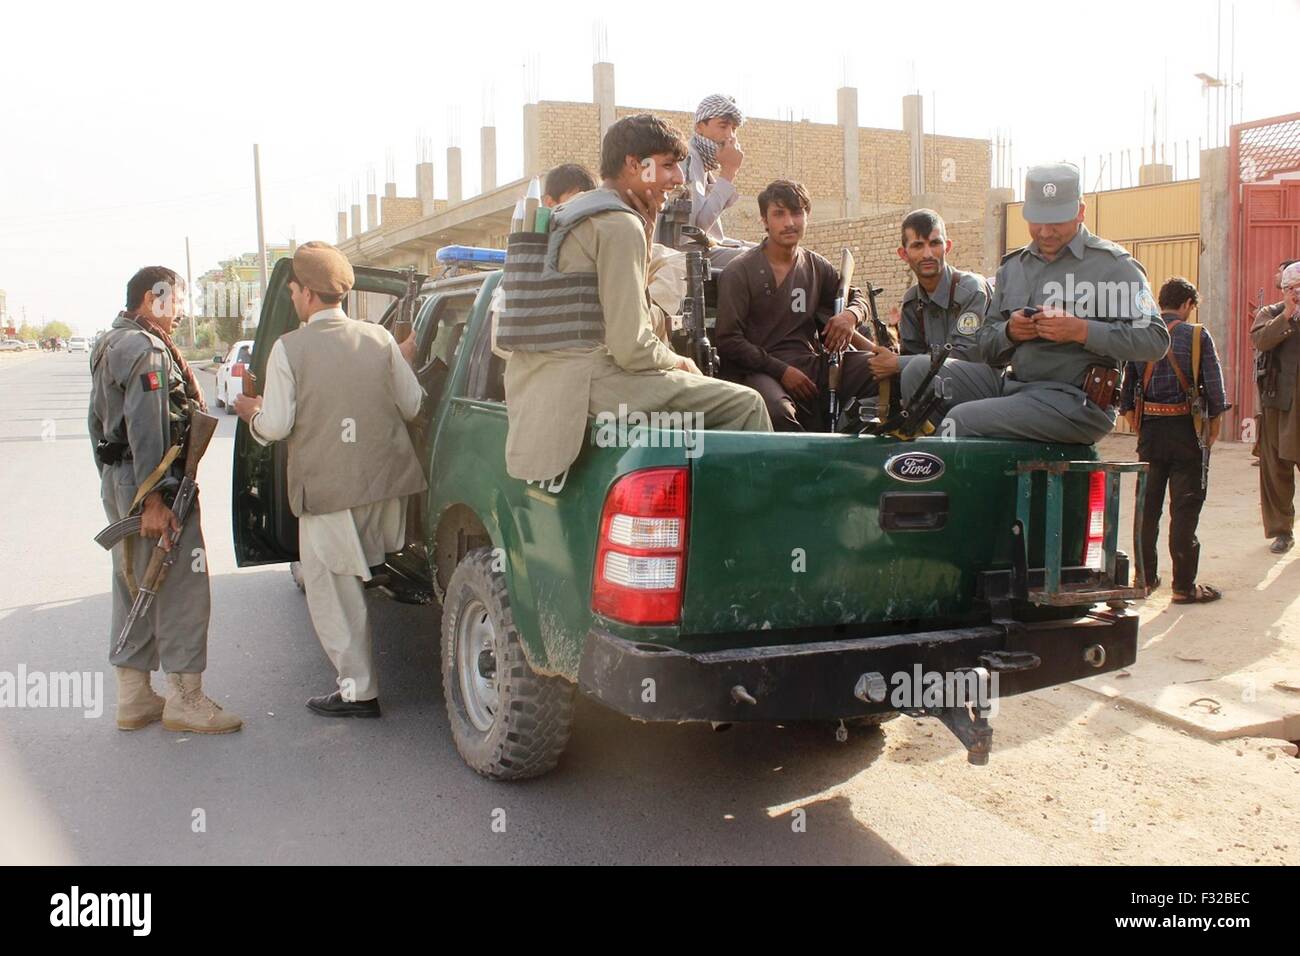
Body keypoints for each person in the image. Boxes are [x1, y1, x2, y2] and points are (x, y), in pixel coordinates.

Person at [499, 113, 771, 482]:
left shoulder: (569, 213)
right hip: (586, 384)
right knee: (746, 404)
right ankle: (754, 523)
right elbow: (631, 348)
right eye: (667, 166)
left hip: (539, 384)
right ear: (632, 165)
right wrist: (677, 362)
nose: (676, 179)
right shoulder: (619, 224)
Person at [234, 242, 427, 717]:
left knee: (332, 592)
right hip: (389, 492)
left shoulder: (289, 348)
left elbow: (276, 427)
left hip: (329, 496)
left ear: (302, 293)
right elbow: (415, 405)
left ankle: (358, 692)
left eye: (295, 290)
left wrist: (250, 414)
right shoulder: (378, 339)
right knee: (354, 574)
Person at [89, 267, 242, 734]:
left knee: (135, 581)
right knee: (179, 586)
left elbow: (98, 428)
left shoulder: (112, 341)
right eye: (175, 300)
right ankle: (185, 699)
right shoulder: (147, 349)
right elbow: (148, 425)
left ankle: (135, 697)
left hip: (123, 479)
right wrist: (153, 499)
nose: (180, 311)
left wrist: (118, 485)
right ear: (152, 298)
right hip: (155, 485)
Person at [929, 162, 1170, 443]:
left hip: (1075, 401)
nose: (1044, 232)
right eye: (1036, 221)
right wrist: (1010, 331)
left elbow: (1155, 340)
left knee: (961, 420)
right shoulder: (1013, 267)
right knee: (921, 377)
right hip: (1014, 389)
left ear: (1080, 211)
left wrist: (1080, 330)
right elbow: (984, 346)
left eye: (1056, 221)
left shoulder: (1113, 266)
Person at [714, 179, 875, 431]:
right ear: (765, 221)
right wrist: (781, 371)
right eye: (779, 214)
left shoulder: (816, 266)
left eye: (797, 212)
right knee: (778, 413)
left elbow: (858, 298)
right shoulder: (740, 271)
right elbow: (728, 340)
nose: (789, 222)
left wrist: (850, 317)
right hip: (760, 371)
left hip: (814, 366)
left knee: (884, 371)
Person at [1118, 278, 1227, 603]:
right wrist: (1210, 435)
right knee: (1185, 507)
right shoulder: (1197, 335)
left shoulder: (1141, 335)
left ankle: (1145, 579)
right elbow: (1216, 394)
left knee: (1146, 508)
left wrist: (1142, 427)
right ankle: (1183, 587)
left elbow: (1125, 399)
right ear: (1187, 304)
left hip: (1150, 432)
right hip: (1185, 432)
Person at [873, 208, 1002, 406]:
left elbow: (966, 355)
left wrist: (896, 363)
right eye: (917, 246)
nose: (927, 254)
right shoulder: (911, 301)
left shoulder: (971, 290)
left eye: (935, 244)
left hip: (983, 383)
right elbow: (912, 357)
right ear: (903, 254)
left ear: (947, 247)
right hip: (935, 385)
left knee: (916, 369)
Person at [1251, 260, 1300, 554]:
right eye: (1291, 288)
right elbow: (1262, 340)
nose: (1296, 293)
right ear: (1283, 290)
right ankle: (1282, 530)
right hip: (1276, 405)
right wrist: (1288, 314)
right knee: (1275, 472)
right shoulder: (1269, 314)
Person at [684, 94, 745, 244]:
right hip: (687, 253)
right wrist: (729, 172)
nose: (730, 136)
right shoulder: (688, 159)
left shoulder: (704, 167)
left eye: (734, 129)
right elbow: (698, 228)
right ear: (699, 127)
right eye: (723, 126)